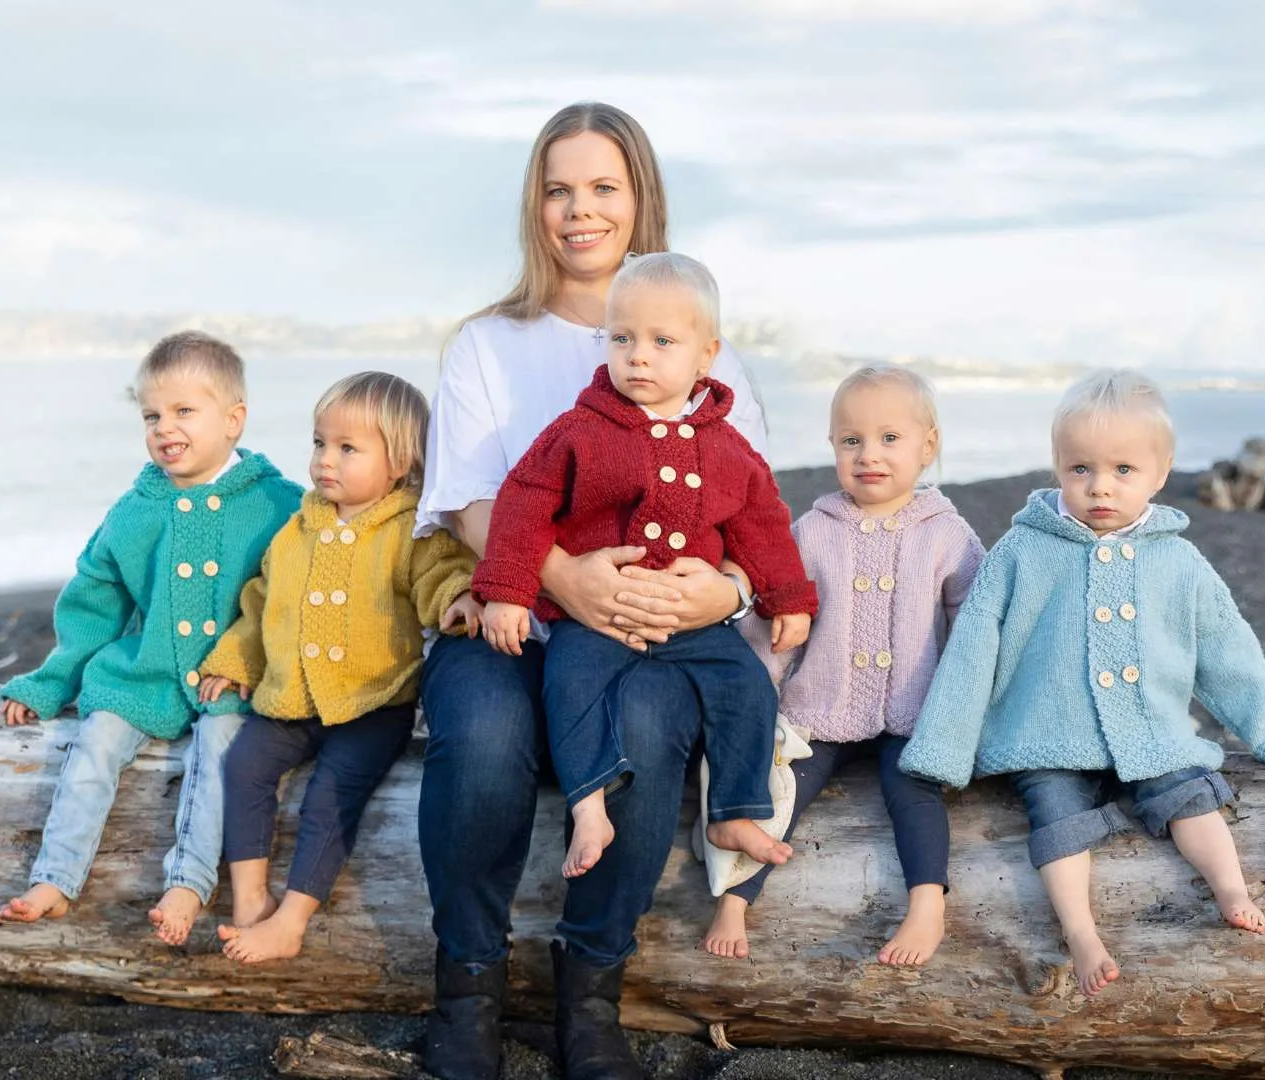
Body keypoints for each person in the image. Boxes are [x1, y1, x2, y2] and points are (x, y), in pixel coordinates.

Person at [416, 102, 770, 1080]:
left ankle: (592, 993)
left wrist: (723, 596)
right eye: (558, 189)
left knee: (649, 739)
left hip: (655, 631)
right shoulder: (488, 343)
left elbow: (754, 518)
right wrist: (561, 573)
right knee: (484, 740)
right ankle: (468, 989)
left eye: (603, 187)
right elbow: (464, 502)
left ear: (639, 197)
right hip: (515, 609)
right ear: (537, 205)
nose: (580, 210)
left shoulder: (707, 352)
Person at [900, 369, 1265, 996]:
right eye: (1080, 470)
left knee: (1191, 792)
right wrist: (945, 750)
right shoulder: (1021, 551)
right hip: (1045, 730)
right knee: (1056, 818)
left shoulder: (1177, 560)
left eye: (1123, 470)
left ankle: (1230, 888)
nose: (1099, 488)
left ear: (1161, 471)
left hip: (1151, 729)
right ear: (1057, 468)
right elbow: (972, 652)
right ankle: (1081, 931)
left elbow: (1227, 650)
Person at [473, 252, 814, 882]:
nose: (638, 356)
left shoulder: (726, 445)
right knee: (569, 684)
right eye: (622, 339)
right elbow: (524, 502)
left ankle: (735, 808)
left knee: (746, 688)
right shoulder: (579, 430)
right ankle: (588, 805)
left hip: (695, 624)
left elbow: (759, 521)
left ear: (705, 354)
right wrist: (507, 591)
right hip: (597, 615)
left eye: (662, 342)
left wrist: (786, 597)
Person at [0, 331, 303, 949]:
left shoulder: (279, 504)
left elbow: (297, 598)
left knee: (220, 756)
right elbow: (94, 603)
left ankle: (187, 885)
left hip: (230, 684)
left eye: (185, 410)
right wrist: (51, 682)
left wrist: (268, 670)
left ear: (234, 419)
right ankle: (55, 877)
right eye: (151, 414)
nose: (165, 427)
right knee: (94, 745)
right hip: (145, 675)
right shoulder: (137, 509)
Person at [701, 366, 983, 967]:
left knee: (916, 791)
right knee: (779, 790)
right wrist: (759, 703)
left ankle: (927, 904)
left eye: (889, 439)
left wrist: (967, 711)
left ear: (927, 447)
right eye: (851, 440)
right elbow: (776, 621)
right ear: (832, 447)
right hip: (821, 705)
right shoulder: (812, 530)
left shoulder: (948, 533)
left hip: (912, 709)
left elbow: (976, 620)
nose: (868, 455)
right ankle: (734, 898)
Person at [197, 372, 481, 964]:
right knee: (244, 763)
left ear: (401, 461)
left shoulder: (411, 529)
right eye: (320, 443)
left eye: (348, 448)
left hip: (372, 703)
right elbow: (263, 604)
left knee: (331, 794)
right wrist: (235, 658)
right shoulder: (298, 531)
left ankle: (293, 918)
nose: (326, 460)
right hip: (292, 699)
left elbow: (440, 572)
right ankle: (250, 900)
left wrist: (457, 599)